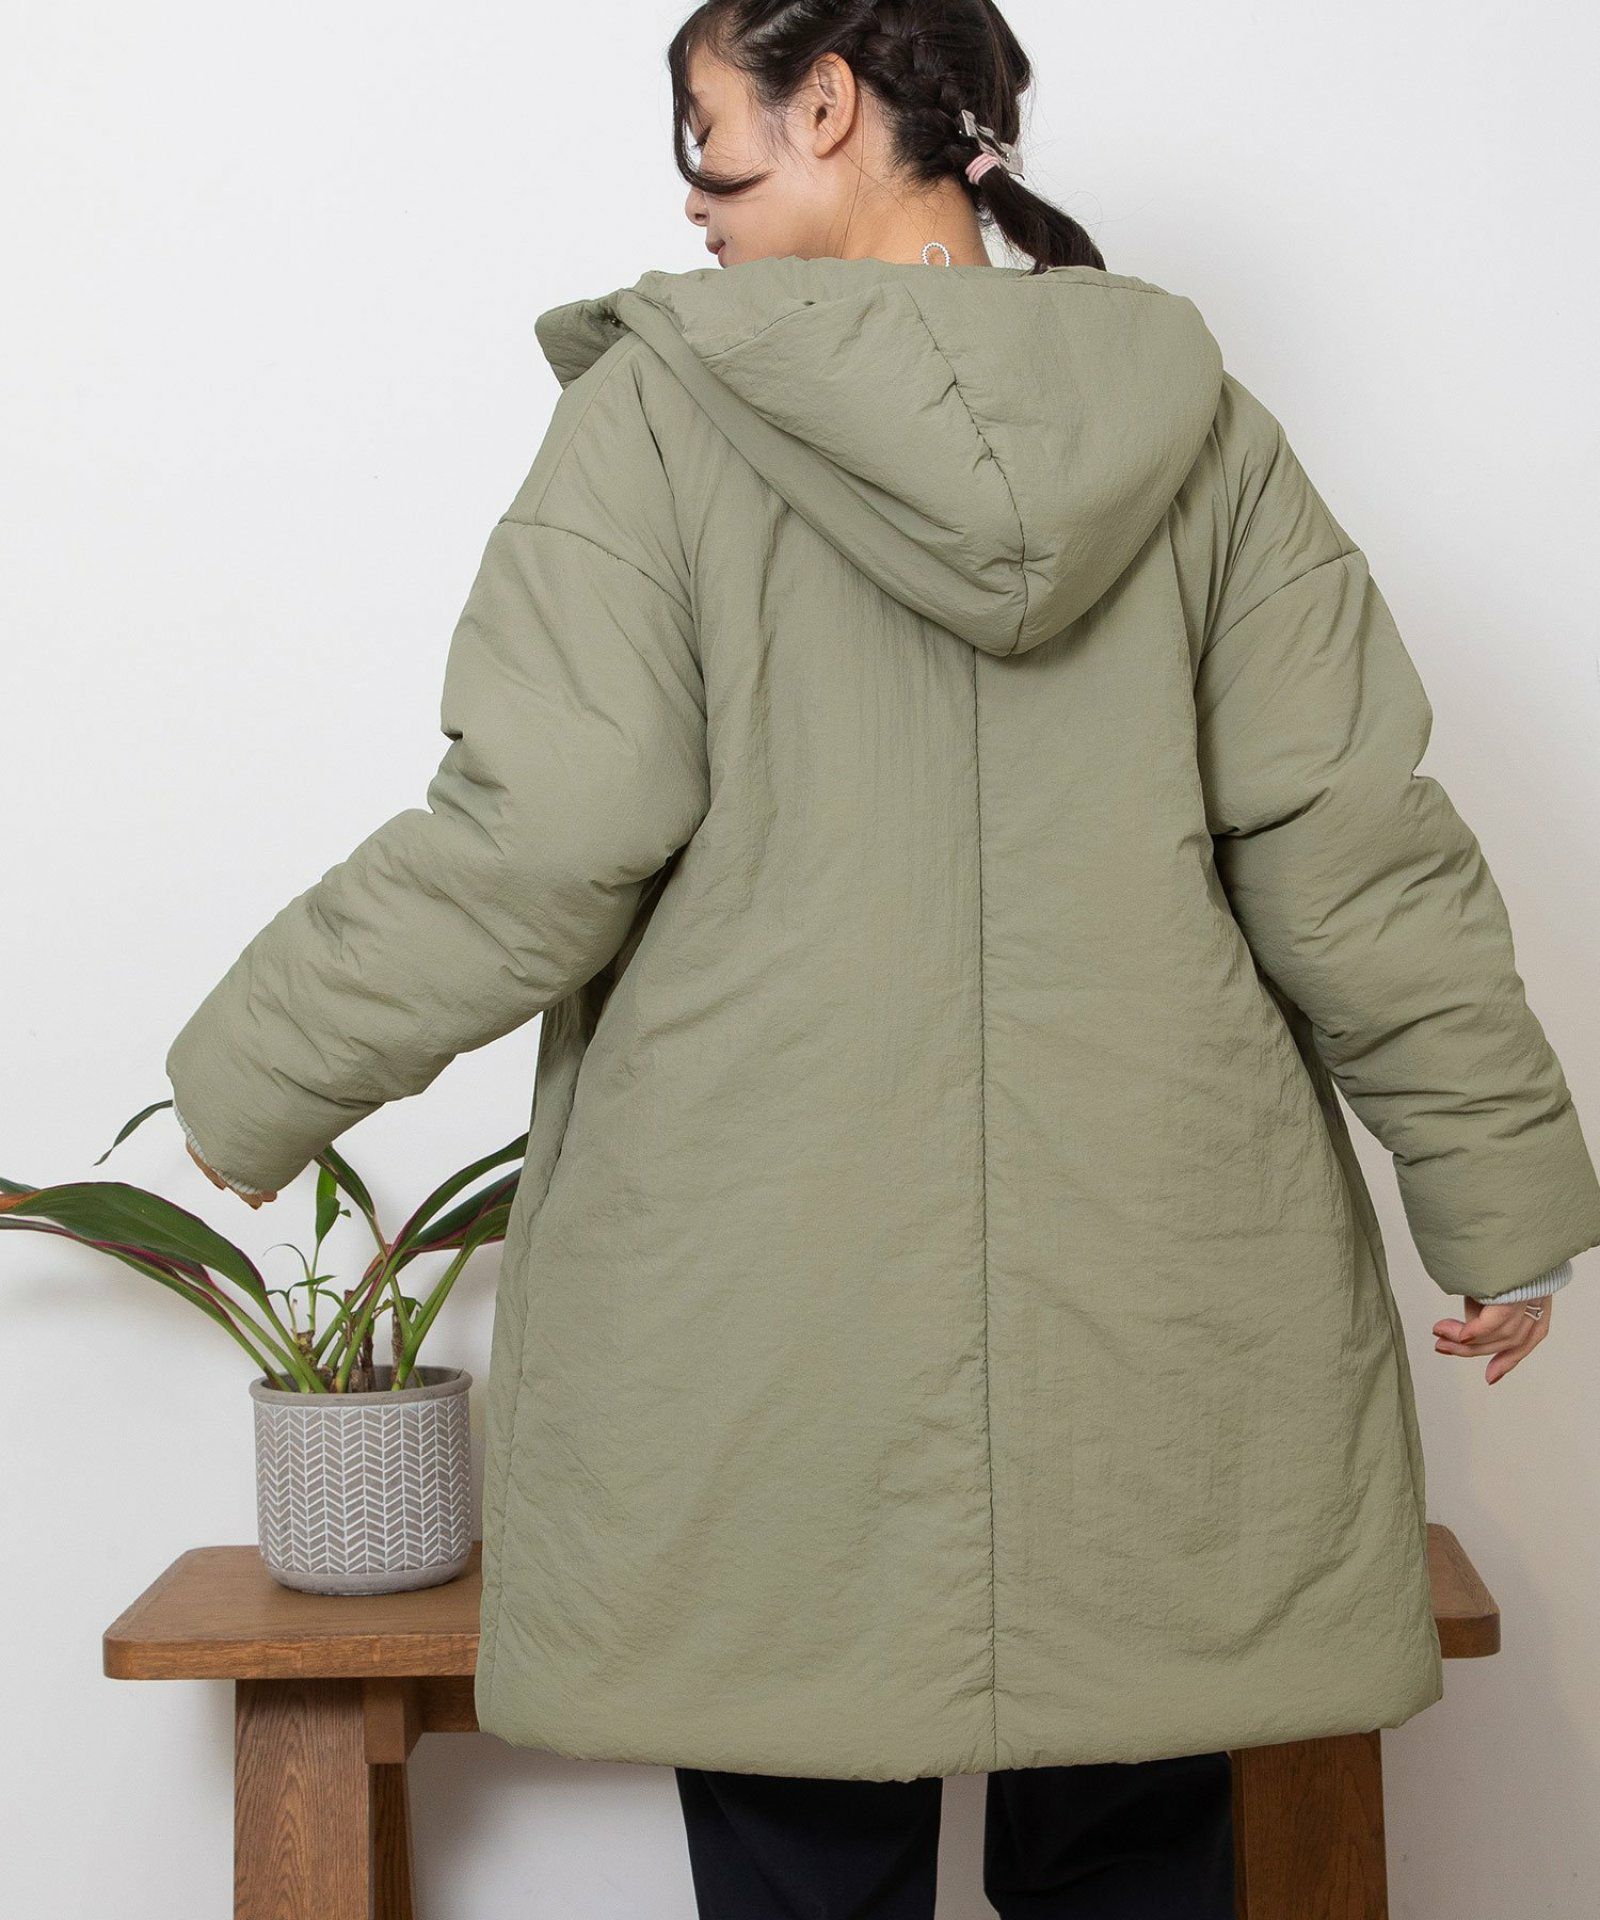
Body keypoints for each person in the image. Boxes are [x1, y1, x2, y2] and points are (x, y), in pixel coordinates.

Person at [167, 2, 1600, 1914]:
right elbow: (1353, 843)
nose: (691, 206)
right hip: (1159, 1317)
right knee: (1140, 1843)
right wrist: (1500, 1194)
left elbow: (545, 830)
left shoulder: (656, 423)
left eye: (706, 137)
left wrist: (256, 1074)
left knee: (798, 1858)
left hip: (764, 1317)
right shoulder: (1203, 435)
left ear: (826, 104)